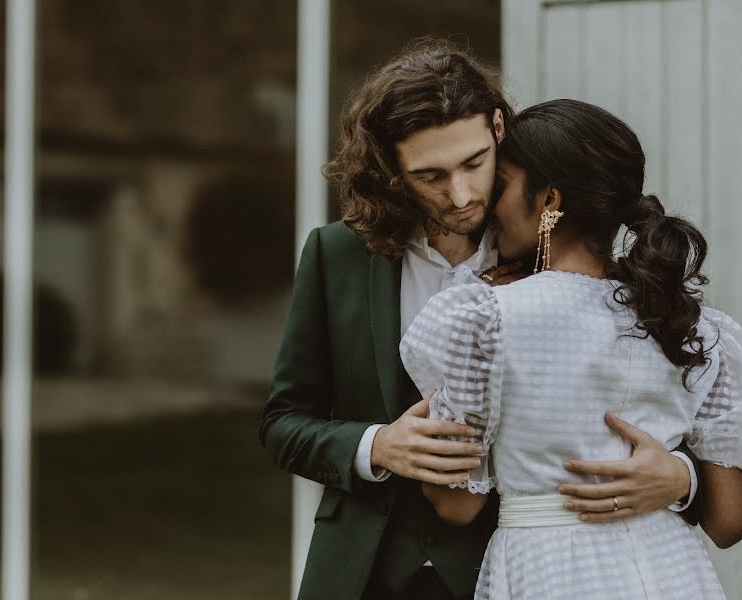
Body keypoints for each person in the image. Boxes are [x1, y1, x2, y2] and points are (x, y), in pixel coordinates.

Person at [260, 41, 701, 600]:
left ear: (497, 127)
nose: (462, 194)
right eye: (431, 176)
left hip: (507, 573)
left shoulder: (556, 249)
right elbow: (282, 421)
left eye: (473, 163)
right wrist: (378, 445)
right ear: (390, 167)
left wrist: (683, 479)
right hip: (361, 574)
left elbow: (650, 405)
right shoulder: (336, 255)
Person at [402, 99, 742, 599]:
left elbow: (457, 506)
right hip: (674, 573)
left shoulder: (482, 320)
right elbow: (729, 522)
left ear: (549, 200)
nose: (490, 207)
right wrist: (681, 479)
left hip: (550, 571)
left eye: (502, 185)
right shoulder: (688, 324)